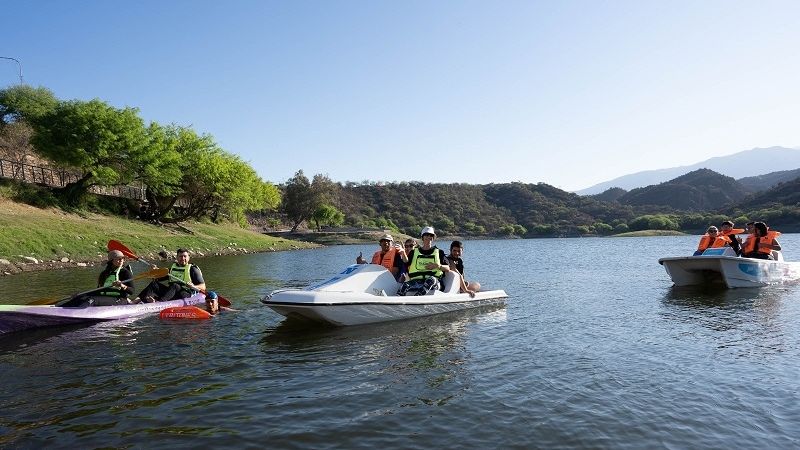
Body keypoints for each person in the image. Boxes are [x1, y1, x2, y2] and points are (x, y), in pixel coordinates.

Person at [63, 250, 135, 306]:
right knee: (79, 297)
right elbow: (99, 290)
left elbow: (132, 291)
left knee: (91, 300)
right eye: (118, 259)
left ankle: (74, 312)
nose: (121, 260)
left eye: (122, 258)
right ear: (111, 261)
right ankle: (59, 308)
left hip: (119, 299)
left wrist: (122, 285)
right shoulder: (104, 274)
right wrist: (81, 294)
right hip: (103, 297)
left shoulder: (125, 272)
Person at [136, 248, 206, 302]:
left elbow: (203, 287)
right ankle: (136, 301)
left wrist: (193, 286)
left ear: (188, 257)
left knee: (175, 285)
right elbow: (157, 278)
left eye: (185, 256)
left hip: (186, 294)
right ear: (177, 258)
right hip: (171, 293)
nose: (183, 258)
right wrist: (155, 271)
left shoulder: (193, 269)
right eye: (180, 256)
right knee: (154, 284)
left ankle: (159, 302)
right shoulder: (172, 269)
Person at [397, 226, 451, 295]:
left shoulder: (439, 252)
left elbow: (448, 268)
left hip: (434, 283)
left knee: (431, 279)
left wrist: (438, 266)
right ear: (422, 237)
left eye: (431, 235)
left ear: (433, 238)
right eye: (426, 235)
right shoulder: (413, 252)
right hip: (417, 281)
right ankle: (396, 300)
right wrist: (403, 252)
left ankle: (418, 297)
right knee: (405, 286)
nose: (429, 237)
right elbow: (406, 262)